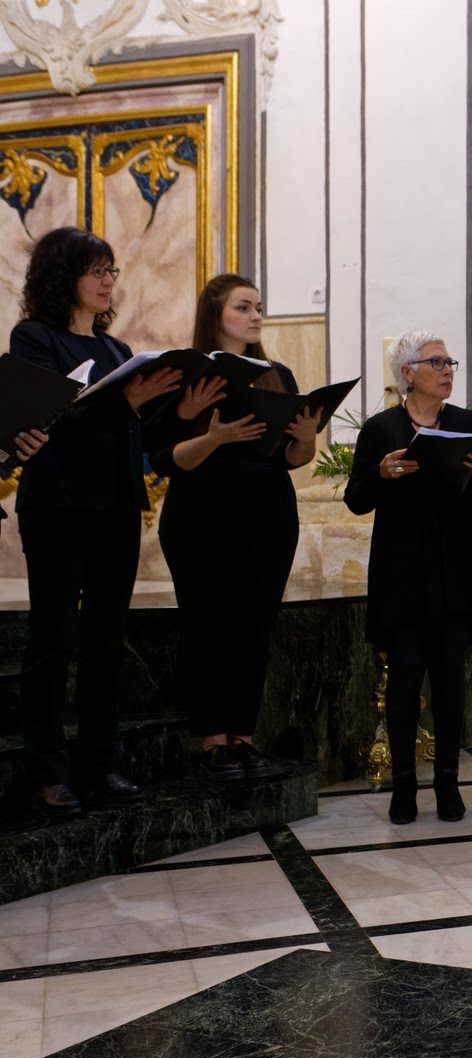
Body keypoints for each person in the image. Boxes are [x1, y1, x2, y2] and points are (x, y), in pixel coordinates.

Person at [9, 226, 183, 816]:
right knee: (54, 638)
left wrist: (174, 409)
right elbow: (49, 420)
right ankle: (47, 770)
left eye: (112, 271)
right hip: (58, 503)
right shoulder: (34, 338)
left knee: (106, 639)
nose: (109, 281)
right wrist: (126, 404)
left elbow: (129, 429)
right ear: (65, 277)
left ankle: (100, 763)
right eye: (98, 271)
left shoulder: (114, 352)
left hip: (114, 505)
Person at [149, 274, 320, 780]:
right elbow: (165, 459)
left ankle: (243, 737)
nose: (255, 316)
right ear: (216, 315)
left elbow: (294, 457)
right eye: (243, 307)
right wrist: (215, 436)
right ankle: (213, 742)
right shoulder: (184, 375)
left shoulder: (278, 374)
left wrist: (308, 436)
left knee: (255, 627)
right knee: (209, 626)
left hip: (268, 510)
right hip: (202, 511)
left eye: (258, 307)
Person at [345, 330, 472, 824]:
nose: (447, 370)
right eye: (436, 362)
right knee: (404, 679)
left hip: (455, 565)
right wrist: (382, 472)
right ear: (407, 373)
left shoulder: (469, 423)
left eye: (449, 362)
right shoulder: (381, 429)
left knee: (450, 679)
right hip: (402, 569)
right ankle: (403, 786)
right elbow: (357, 499)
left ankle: (447, 785)